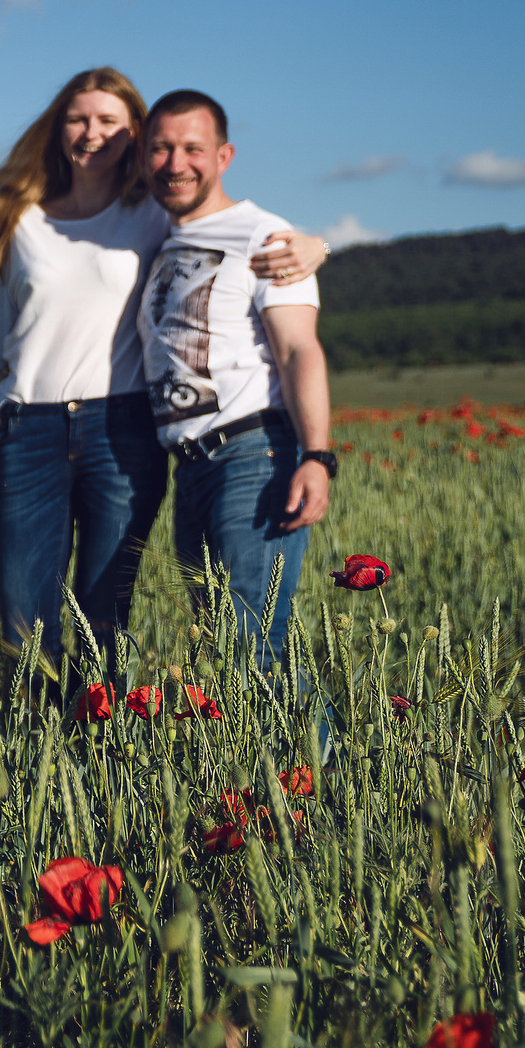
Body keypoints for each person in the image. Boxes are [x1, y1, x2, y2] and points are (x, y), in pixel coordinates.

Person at [0, 68, 325, 660]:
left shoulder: (154, 214)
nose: (92, 133)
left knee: (107, 614)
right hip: (31, 430)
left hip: (125, 431)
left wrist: (316, 245)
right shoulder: (24, 219)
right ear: (59, 127)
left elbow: (236, 229)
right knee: (21, 618)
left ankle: (96, 743)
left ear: (131, 137)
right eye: (78, 118)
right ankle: (33, 744)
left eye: (109, 121)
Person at [136, 89, 332, 666]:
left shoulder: (263, 236)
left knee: (252, 649)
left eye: (192, 148)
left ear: (224, 156)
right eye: (161, 149)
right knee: (227, 656)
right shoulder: (161, 238)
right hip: (191, 470)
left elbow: (299, 350)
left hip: (252, 457)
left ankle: (318, 761)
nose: (176, 163)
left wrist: (318, 456)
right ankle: (287, 761)